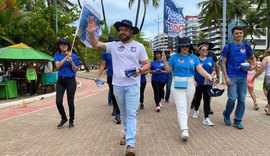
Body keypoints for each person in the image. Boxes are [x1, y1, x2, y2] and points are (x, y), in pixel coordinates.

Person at [87, 17, 150, 156]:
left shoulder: (139, 46)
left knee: (132, 113)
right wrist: (91, 33)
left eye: (125, 30)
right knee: (123, 113)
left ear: (131, 31)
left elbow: (147, 64)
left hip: (133, 85)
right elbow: (96, 45)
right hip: (117, 85)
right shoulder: (113, 45)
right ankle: (128, 134)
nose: (122, 32)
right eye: (120, 30)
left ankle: (130, 144)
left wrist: (139, 70)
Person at [163, 37, 213, 141]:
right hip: (177, 84)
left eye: (186, 45)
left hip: (190, 84)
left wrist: (209, 77)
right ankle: (184, 129)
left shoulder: (193, 57)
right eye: (182, 46)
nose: (185, 47)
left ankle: (183, 124)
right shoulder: (174, 57)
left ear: (189, 46)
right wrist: (164, 61)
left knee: (187, 107)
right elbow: (168, 70)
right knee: (181, 107)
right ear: (179, 47)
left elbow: (200, 69)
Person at [221, 26, 256, 130]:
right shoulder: (228, 47)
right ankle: (226, 114)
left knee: (242, 99)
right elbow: (223, 63)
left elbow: (252, 58)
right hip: (231, 76)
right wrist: (226, 77)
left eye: (240, 33)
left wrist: (253, 66)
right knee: (232, 98)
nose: (238, 35)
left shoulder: (246, 46)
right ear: (232, 35)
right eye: (236, 33)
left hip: (243, 76)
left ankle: (237, 120)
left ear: (243, 34)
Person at [54, 38, 80, 129]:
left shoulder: (74, 56)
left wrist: (71, 60)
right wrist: (66, 57)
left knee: (70, 102)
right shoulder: (57, 55)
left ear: (68, 46)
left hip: (71, 81)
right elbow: (57, 66)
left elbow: (75, 70)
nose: (63, 46)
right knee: (58, 101)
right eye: (61, 44)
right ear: (59, 46)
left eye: (65, 44)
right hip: (61, 81)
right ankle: (63, 118)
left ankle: (71, 120)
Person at [96, 35, 121, 124]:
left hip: (121, 76)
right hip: (111, 75)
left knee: (120, 93)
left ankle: (120, 110)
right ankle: (117, 111)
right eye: (110, 42)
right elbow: (103, 64)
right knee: (114, 94)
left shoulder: (120, 50)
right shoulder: (105, 53)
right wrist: (98, 75)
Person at [192, 44, 215, 126]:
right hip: (199, 83)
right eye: (203, 50)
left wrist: (211, 75)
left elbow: (213, 70)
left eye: (206, 50)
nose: (205, 51)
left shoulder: (210, 59)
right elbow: (192, 71)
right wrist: (194, 80)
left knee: (207, 100)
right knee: (198, 98)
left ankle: (206, 118)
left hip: (208, 83)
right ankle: (196, 110)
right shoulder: (196, 60)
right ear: (199, 51)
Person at [252, 47, 270, 115]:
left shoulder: (267, 59)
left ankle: (269, 109)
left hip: (268, 77)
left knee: (266, 90)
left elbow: (260, 71)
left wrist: (254, 77)